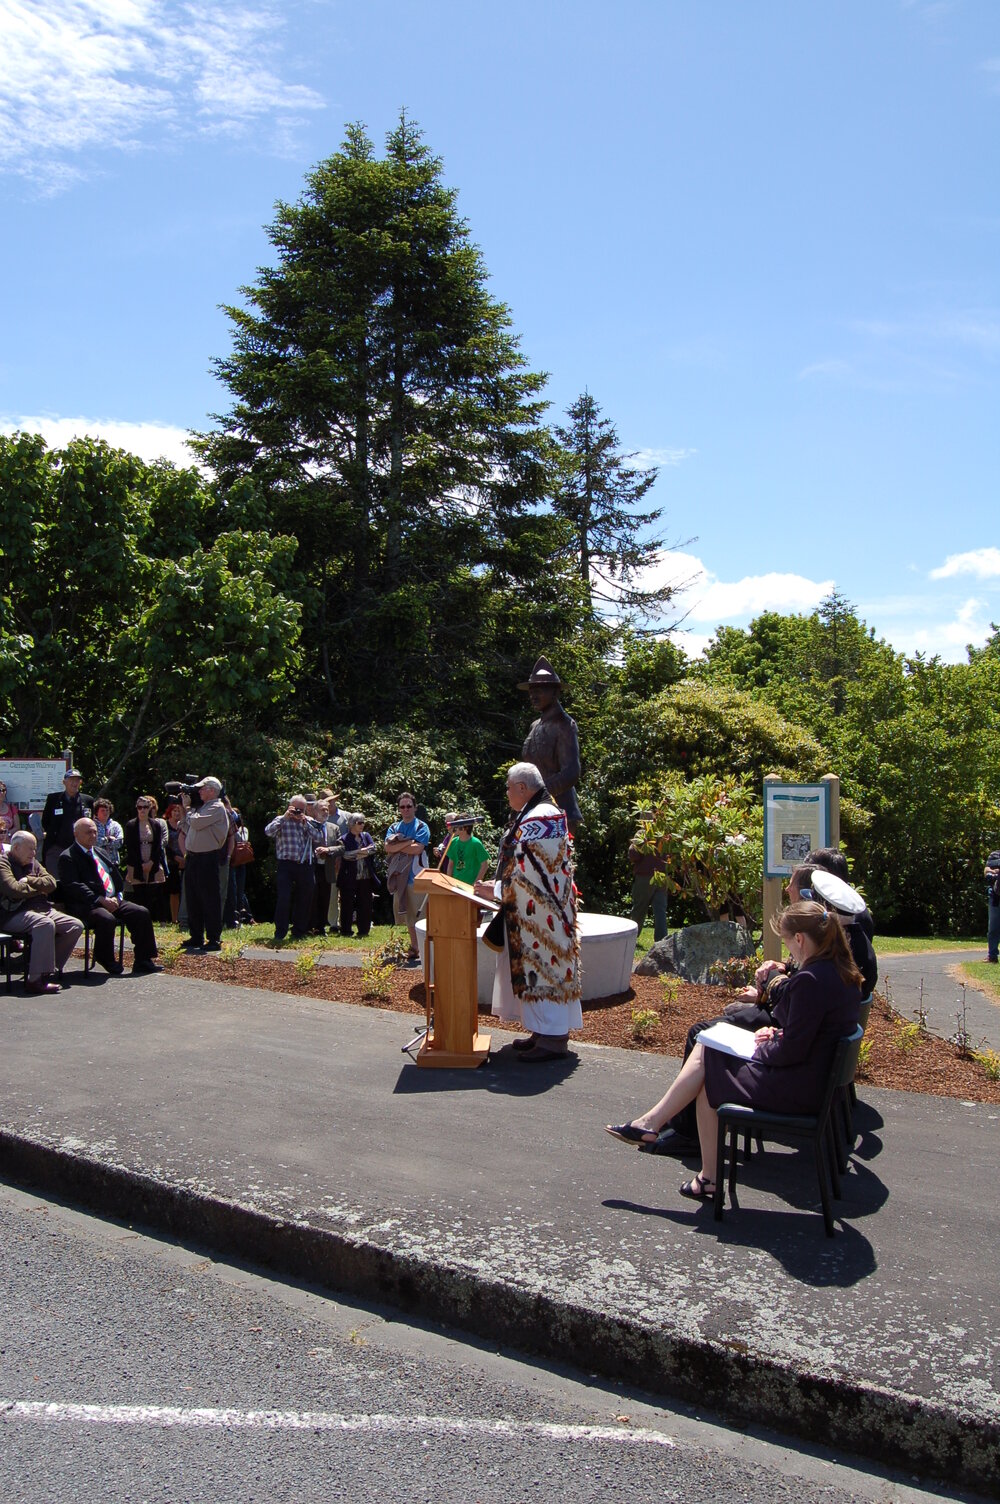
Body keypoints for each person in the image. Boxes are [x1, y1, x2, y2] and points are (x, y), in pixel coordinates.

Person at [606, 900, 863, 1203]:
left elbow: (792, 1051)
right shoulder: (842, 973)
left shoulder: (811, 980)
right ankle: (660, 1133)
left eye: (785, 941)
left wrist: (763, 1046)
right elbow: (818, 1034)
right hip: (817, 1083)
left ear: (800, 939)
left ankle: (686, 1157)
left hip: (800, 1088)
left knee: (708, 1073)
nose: (788, 951)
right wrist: (778, 1033)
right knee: (707, 1049)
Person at [641, 851, 877, 1158]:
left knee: (706, 1047)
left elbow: (801, 1013)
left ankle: (690, 1140)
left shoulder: (824, 970)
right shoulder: (842, 958)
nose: (791, 892)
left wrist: (768, 1019)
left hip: (800, 1081)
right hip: (812, 1068)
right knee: (709, 1043)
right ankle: (667, 1128)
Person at [475, 762, 581, 1062]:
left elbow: (534, 875)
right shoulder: (537, 812)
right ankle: (542, 1031)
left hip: (541, 916)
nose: (507, 793)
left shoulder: (540, 816)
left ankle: (553, 1038)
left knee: (544, 969)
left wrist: (495, 890)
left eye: (509, 787)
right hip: (536, 913)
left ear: (523, 788)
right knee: (537, 971)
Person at [57, 818, 162, 976]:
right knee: (106, 919)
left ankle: (143, 960)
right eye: (88, 832)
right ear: (76, 834)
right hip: (87, 905)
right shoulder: (68, 857)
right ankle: (105, 957)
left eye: (94, 831)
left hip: (112, 899)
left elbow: (114, 876)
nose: (93, 835)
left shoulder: (100, 852)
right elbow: (73, 886)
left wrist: (118, 896)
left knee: (140, 912)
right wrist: (99, 899)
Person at [0, 830, 83, 994]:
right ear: (16, 848)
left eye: (35, 848)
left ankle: (44, 968)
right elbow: (13, 889)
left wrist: (29, 880)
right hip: (13, 913)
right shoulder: (4, 864)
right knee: (44, 924)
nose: (34, 853)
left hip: (41, 909)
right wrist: (39, 889)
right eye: (30, 848)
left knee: (75, 925)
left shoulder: (33, 863)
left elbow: (51, 883)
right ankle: (34, 980)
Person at [518, 658, 582, 832]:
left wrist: (538, 794)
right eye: (531, 691)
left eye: (539, 690)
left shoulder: (565, 725)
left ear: (555, 692)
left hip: (559, 811)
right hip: (533, 810)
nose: (533, 696)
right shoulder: (535, 725)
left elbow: (571, 772)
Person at [265, 795, 329, 942]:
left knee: (305, 898)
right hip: (286, 864)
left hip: (305, 864)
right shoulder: (281, 819)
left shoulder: (308, 821)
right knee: (284, 898)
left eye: (301, 809)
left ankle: (298, 931)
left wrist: (305, 823)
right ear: (289, 807)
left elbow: (319, 837)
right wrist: (285, 818)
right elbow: (268, 832)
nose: (298, 812)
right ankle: (280, 931)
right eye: (295, 809)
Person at [179, 777, 231, 953]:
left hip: (207, 858)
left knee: (209, 898)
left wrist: (187, 809)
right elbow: (189, 828)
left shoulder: (216, 807)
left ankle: (214, 938)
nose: (198, 792)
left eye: (202, 788)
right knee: (193, 897)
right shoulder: (202, 808)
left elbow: (196, 822)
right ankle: (196, 935)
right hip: (193, 858)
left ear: (212, 790)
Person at [385, 793, 431, 961]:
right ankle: (415, 948)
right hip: (399, 878)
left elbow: (418, 849)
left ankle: (427, 949)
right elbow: (387, 848)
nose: (405, 809)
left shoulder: (421, 827)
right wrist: (408, 843)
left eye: (409, 806)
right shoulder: (394, 827)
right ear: (398, 809)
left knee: (422, 915)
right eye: (402, 807)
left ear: (415, 807)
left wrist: (398, 845)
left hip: (417, 876)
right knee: (409, 915)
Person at [124, 795, 169, 921]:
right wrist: (141, 864)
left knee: (154, 893)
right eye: (139, 807)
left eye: (145, 807)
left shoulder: (156, 824)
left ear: (150, 808)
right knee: (139, 893)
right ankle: (140, 919)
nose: (142, 810)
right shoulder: (131, 825)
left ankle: (156, 919)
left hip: (152, 859)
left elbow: (158, 846)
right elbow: (130, 847)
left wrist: (151, 862)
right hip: (136, 861)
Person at [41, 768, 93, 875]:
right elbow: (45, 821)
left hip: (79, 849)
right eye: (71, 780)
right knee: (55, 882)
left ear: (81, 782)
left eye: (77, 780)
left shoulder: (88, 800)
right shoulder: (53, 799)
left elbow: (91, 823)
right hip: (56, 848)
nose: (74, 783)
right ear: (64, 782)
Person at [628, 814, 668, 941]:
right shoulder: (662, 834)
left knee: (639, 908)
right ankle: (662, 940)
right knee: (660, 910)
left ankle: (632, 937)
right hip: (662, 876)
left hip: (645, 876)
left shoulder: (642, 834)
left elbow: (633, 855)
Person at [337, 814, 378, 937]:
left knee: (365, 904)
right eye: (359, 823)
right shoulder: (343, 839)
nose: (362, 825)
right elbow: (346, 855)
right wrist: (362, 852)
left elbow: (373, 849)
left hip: (365, 876)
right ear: (352, 824)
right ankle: (346, 930)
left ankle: (364, 930)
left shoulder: (366, 836)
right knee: (347, 904)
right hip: (348, 876)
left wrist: (359, 853)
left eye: (363, 822)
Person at [317, 790, 349, 933]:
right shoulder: (319, 818)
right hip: (329, 861)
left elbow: (349, 839)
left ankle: (346, 922)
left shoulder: (346, 817)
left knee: (346, 893)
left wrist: (341, 858)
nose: (329, 804)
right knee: (332, 893)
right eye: (326, 801)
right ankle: (333, 923)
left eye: (331, 801)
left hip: (346, 859)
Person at [443, 815, 490, 886]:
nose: (454, 828)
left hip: (469, 885)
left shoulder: (476, 843)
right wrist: (449, 882)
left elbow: (485, 865)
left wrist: (476, 883)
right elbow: (450, 865)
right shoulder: (453, 842)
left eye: (457, 826)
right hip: (455, 884)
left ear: (466, 828)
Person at [164, 800, 186, 924]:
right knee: (174, 891)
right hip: (171, 861)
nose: (177, 813)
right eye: (174, 810)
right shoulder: (166, 825)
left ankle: (184, 916)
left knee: (185, 890)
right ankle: (174, 918)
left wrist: (185, 857)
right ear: (170, 812)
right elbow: (164, 844)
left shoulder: (184, 824)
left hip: (186, 859)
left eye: (179, 810)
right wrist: (175, 858)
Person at [93, 798, 125, 867]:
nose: (105, 812)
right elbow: (94, 843)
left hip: (113, 863)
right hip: (97, 862)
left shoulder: (115, 825)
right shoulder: (92, 825)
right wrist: (108, 839)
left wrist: (102, 841)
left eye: (107, 810)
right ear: (96, 812)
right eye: (102, 810)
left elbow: (120, 842)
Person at [985, 849, 1000, 964]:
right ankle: (992, 955)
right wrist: (992, 871)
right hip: (996, 896)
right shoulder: (994, 855)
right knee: (993, 928)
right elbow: (986, 870)